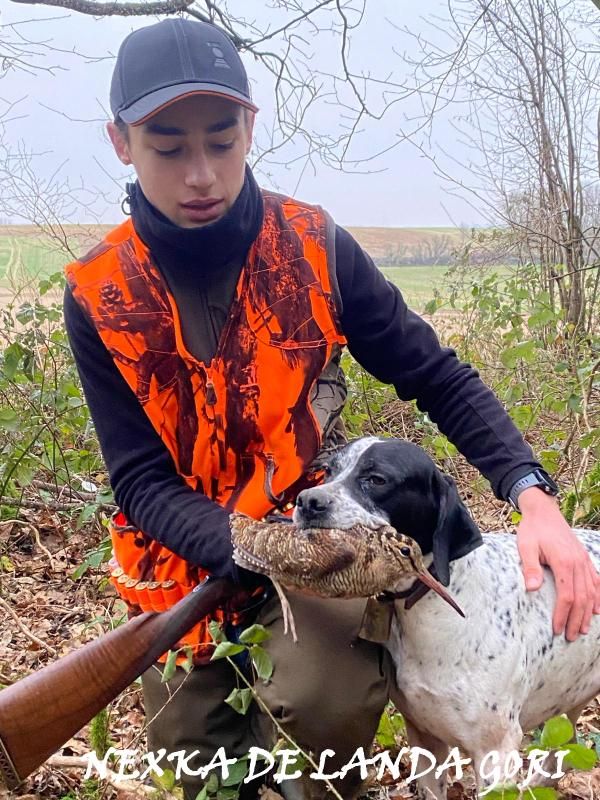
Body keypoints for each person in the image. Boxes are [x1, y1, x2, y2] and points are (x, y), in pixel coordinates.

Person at [63, 17, 600, 800]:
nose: (202, 173)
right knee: (197, 762)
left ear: (251, 123)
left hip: (319, 541)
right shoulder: (97, 292)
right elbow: (141, 483)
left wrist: (532, 493)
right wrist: (245, 546)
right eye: (168, 147)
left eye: (221, 139)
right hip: (179, 568)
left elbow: (436, 374)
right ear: (121, 142)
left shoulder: (313, 246)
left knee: (321, 708)